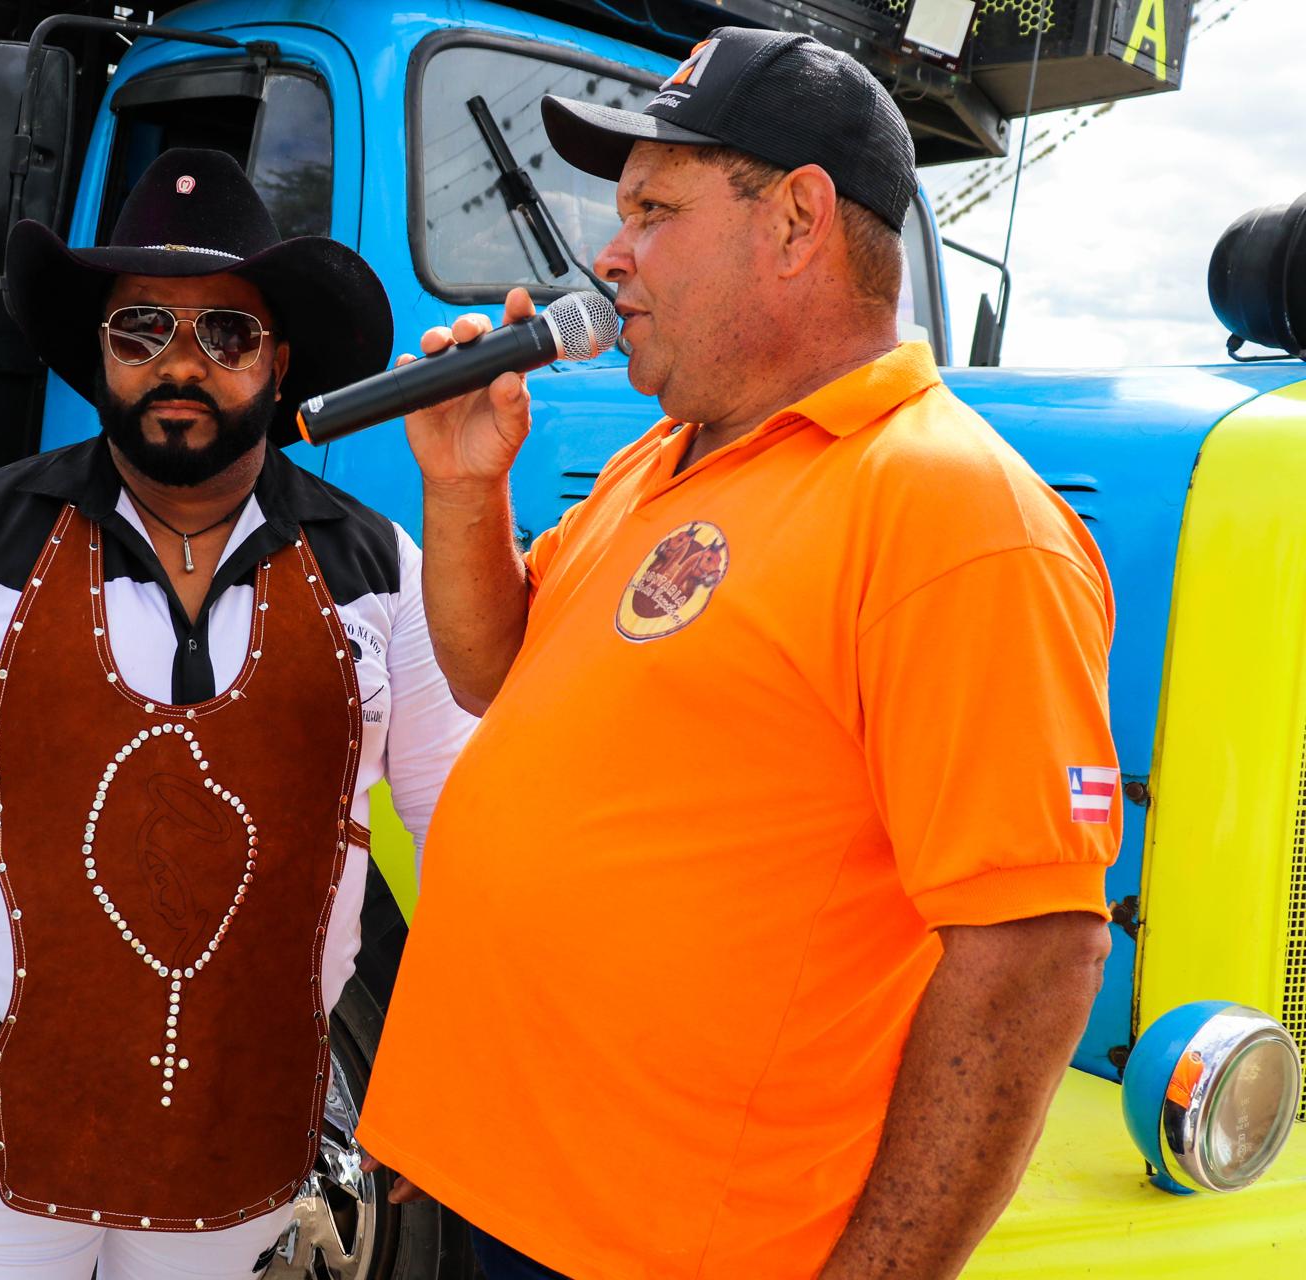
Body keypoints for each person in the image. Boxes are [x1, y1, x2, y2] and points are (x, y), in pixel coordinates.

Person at [358, 28, 1122, 1280]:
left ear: (798, 220)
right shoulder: (663, 457)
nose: (609, 256)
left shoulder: (953, 510)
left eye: (654, 212)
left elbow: (1034, 951)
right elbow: (497, 672)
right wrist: (463, 485)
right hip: (507, 1183)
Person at [0, 149, 475, 1277]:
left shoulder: (379, 568)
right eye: (141, 328)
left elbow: (462, 828)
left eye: (227, 333)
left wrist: (443, 1069)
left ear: (281, 361)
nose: (180, 363)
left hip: (248, 1118)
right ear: (99, 351)